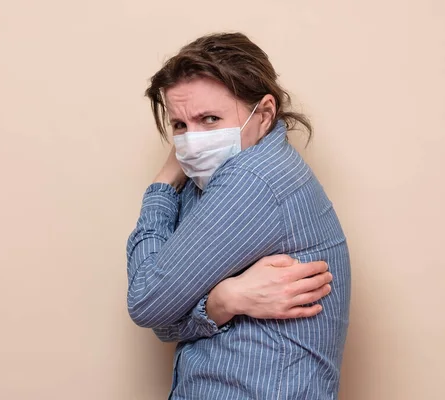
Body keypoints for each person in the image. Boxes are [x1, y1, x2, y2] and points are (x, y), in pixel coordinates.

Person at [127, 32, 351, 399]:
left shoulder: (253, 178)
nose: (190, 142)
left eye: (210, 119)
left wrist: (163, 182)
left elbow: (146, 301)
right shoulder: (210, 181)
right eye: (180, 126)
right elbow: (166, 321)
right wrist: (221, 302)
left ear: (263, 114)